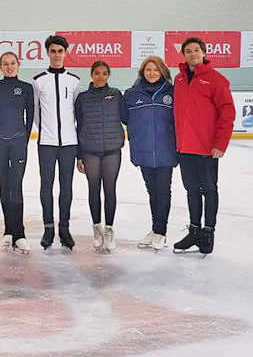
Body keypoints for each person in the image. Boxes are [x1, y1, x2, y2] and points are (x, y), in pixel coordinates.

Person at [173, 37, 235, 256]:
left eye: (196, 50)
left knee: (208, 190)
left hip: (207, 149)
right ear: (184, 55)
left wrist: (220, 143)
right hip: (185, 148)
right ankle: (194, 231)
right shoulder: (179, 80)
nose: (192, 54)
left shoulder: (216, 80)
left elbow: (228, 113)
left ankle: (208, 231)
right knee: (191, 191)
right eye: (188, 51)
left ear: (204, 52)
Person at [124, 56, 178, 252]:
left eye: (156, 70)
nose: (152, 73)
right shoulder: (131, 94)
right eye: (148, 70)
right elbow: (124, 119)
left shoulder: (173, 93)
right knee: (152, 192)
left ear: (162, 71)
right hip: (144, 152)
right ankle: (156, 230)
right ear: (142, 72)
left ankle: (160, 232)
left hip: (166, 152)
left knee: (163, 192)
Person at [32, 35, 81, 250]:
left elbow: (77, 112)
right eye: (53, 51)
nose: (57, 55)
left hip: (70, 143)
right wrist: (45, 132)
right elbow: (35, 112)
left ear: (65, 53)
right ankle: (48, 228)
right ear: (48, 53)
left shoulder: (74, 81)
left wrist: (73, 135)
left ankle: (64, 228)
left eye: (60, 51)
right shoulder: (39, 80)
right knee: (46, 186)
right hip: (47, 143)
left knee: (66, 186)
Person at [0, 52, 34, 252]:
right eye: (5, 64)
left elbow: (30, 116)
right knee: (4, 185)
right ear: (1, 67)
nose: (9, 66)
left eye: (13, 63)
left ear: (18, 64)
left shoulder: (26, 88)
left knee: (16, 185)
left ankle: (19, 232)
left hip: (18, 143)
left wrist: (24, 138)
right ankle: (8, 229)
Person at [75, 61, 125, 252]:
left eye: (104, 73)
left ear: (109, 75)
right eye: (97, 73)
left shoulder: (116, 95)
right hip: (90, 150)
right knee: (93, 188)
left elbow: (126, 117)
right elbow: (79, 125)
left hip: (112, 149)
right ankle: (97, 228)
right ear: (91, 74)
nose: (101, 76)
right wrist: (79, 156)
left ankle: (109, 229)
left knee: (110, 189)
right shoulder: (83, 98)